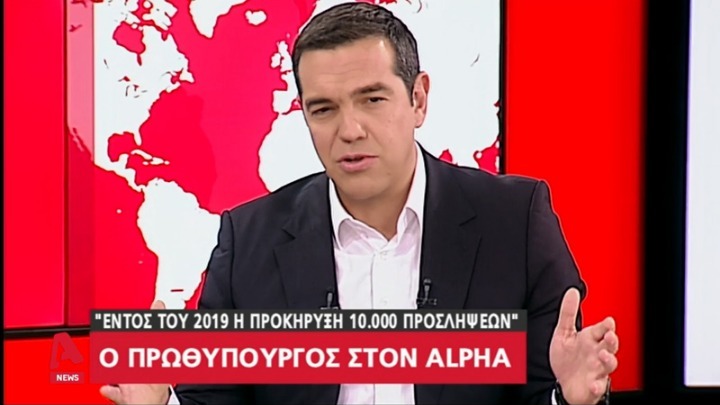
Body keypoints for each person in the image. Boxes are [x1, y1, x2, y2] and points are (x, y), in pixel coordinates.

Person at [100, 2, 619, 404]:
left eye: (372, 99)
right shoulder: (249, 240)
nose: (349, 130)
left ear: (418, 99)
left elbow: (544, 390)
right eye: (324, 109)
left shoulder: (513, 221)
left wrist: (569, 399)